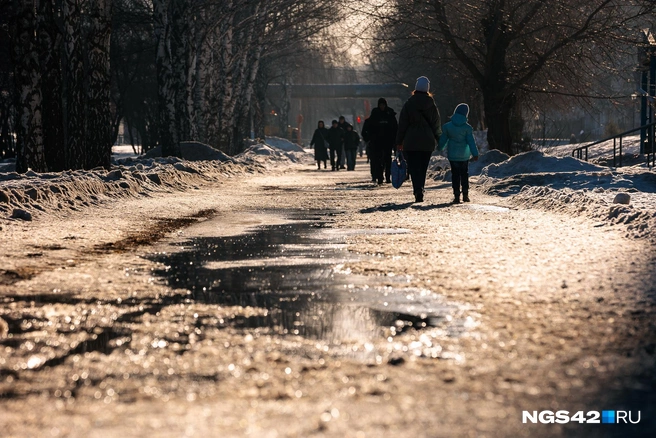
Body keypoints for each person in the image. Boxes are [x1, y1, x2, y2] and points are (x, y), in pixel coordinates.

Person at [395, 76, 441, 203]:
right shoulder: (431, 104)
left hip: (411, 141)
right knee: (423, 167)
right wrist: (439, 138)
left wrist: (399, 141)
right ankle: (421, 187)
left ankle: (417, 189)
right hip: (427, 141)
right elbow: (436, 123)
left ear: (416, 88)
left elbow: (403, 124)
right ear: (427, 89)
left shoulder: (409, 104)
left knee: (414, 167)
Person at [438, 103, 479, 204]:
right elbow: (471, 142)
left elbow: (443, 139)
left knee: (455, 175)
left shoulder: (448, 127)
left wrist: (439, 147)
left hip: (453, 155)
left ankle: (456, 195)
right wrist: (475, 154)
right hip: (464, 155)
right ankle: (465, 195)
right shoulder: (467, 128)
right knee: (464, 174)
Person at [367, 97, 398, 184]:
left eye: (383, 105)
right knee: (378, 160)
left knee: (387, 159)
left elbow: (395, 127)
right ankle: (380, 177)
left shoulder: (390, 113)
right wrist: (371, 138)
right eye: (380, 105)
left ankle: (388, 176)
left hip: (388, 140)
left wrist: (395, 140)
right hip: (377, 141)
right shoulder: (375, 113)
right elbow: (370, 127)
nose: (382, 107)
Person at [361, 116, 376, 182]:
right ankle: (376, 175)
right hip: (373, 143)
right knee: (376, 160)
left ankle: (375, 175)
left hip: (373, 143)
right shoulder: (369, 121)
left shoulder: (368, 121)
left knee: (374, 160)